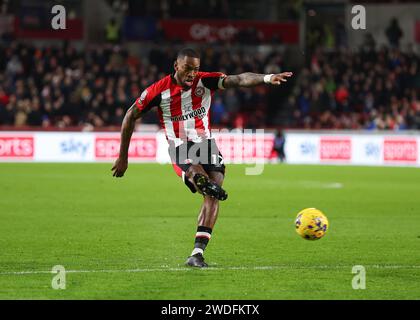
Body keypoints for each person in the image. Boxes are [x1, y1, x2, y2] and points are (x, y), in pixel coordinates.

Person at [111, 48, 293, 268]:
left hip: (207, 145)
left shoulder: (205, 82)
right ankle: (200, 183)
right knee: (202, 180)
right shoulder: (158, 91)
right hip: (179, 146)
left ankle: (197, 253)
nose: (192, 73)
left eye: (195, 69)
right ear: (176, 65)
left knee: (213, 194)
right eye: (188, 68)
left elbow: (239, 79)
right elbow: (130, 115)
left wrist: (267, 78)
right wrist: (123, 157)